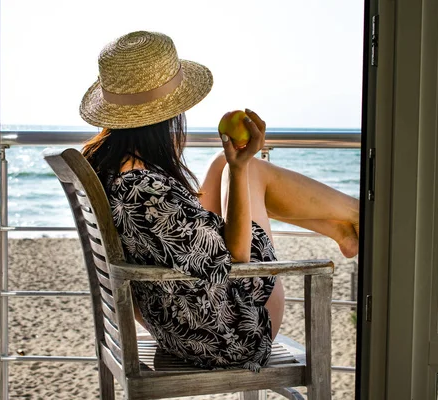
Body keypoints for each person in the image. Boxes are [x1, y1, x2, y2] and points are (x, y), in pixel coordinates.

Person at [80, 31, 359, 372]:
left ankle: (341, 228)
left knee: (220, 164)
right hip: (228, 336)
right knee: (250, 170)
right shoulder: (146, 188)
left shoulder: (108, 165)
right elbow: (237, 258)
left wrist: (232, 167)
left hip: (175, 318)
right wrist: (240, 168)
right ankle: (356, 216)